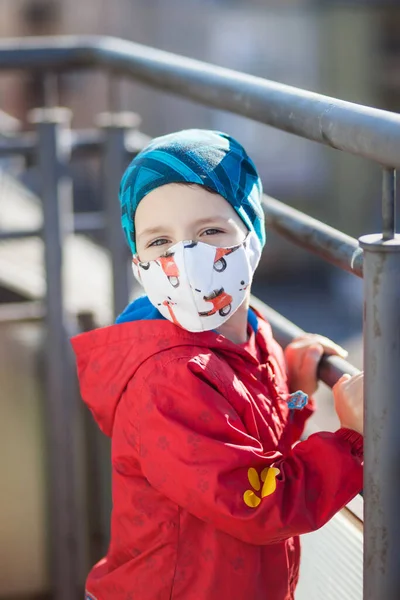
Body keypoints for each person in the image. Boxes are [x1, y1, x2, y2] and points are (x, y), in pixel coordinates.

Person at [71, 130, 364, 600]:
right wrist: (352, 441)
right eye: (159, 242)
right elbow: (258, 503)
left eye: (210, 231)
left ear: (252, 236)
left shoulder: (250, 330)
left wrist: (293, 389)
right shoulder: (167, 378)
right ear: (138, 264)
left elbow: (248, 447)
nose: (185, 260)